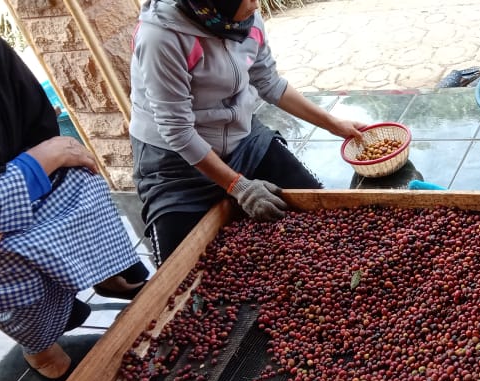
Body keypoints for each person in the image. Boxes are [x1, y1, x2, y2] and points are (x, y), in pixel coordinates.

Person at [0, 0, 148, 378]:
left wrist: (40, 163)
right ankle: (38, 345)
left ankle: (103, 270)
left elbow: (38, 125)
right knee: (2, 259)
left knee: (82, 177)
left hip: (1, 193)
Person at [130, 0, 366, 264]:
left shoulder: (246, 19)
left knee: (322, 213)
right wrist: (239, 186)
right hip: (175, 163)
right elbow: (177, 130)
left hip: (241, 139)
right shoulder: (160, 38)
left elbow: (269, 81)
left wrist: (334, 124)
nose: (256, 4)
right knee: (181, 267)